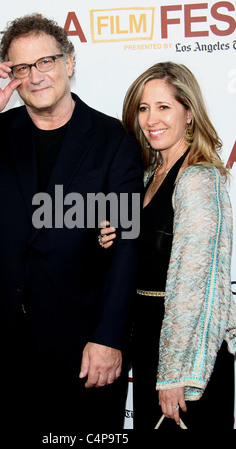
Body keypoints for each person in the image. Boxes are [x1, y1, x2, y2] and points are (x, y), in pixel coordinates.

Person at [0, 14, 144, 430]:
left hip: (85, 344)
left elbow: (126, 246)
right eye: (22, 68)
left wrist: (107, 337)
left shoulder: (114, 140)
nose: (35, 76)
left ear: (69, 62)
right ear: (10, 76)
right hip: (11, 340)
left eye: (45, 61)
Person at [99, 62, 236, 430]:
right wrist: (108, 238)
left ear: (188, 113)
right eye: (143, 108)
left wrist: (177, 373)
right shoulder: (148, 175)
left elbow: (197, 283)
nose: (150, 119)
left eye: (163, 107)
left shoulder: (198, 178)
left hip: (186, 357)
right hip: (148, 339)